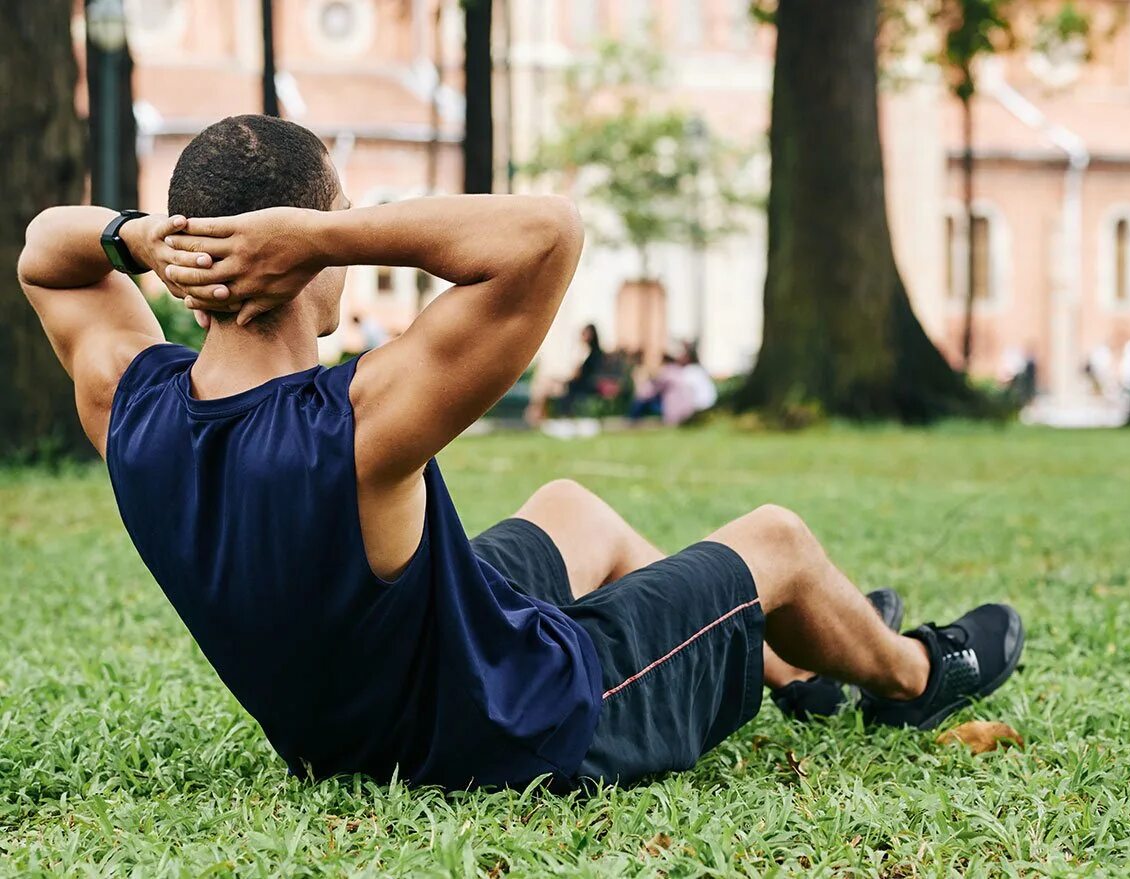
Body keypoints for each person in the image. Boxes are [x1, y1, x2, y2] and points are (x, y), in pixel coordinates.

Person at [18, 114, 1025, 790]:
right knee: (780, 542)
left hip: (343, 717)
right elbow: (545, 233)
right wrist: (328, 237)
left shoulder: (129, 402)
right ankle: (911, 678)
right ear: (298, 241)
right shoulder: (356, 423)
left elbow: (43, 250)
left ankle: (800, 674)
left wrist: (137, 237)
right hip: (510, 729)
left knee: (571, 509)